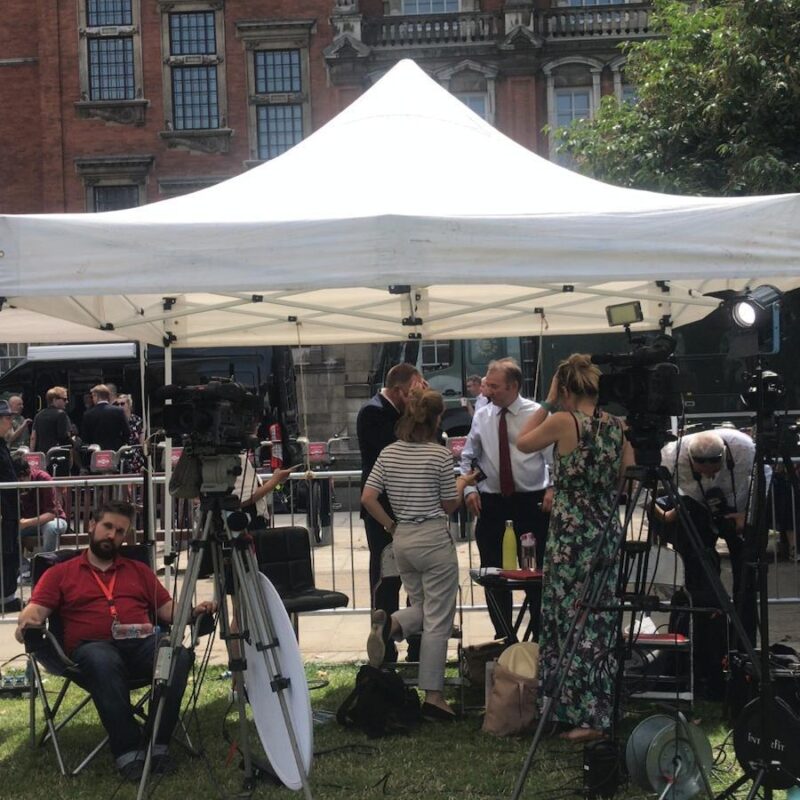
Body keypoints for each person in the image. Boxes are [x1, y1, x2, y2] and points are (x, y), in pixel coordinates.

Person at [15, 500, 215, 780]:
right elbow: (35, 611)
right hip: (91, 650)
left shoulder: (138, 570)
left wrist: (193, 613)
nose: (112, 535)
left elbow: (168, 610)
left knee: (176, 655)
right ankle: (128, 750)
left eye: (120, 531)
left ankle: (158, 743)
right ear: (92, 526)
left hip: (142, 645)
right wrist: (27, 622)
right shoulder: (61, 573)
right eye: (107, 526)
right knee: (102, 658)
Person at [517, 353, 632, 742]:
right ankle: (596, 707)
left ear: (565, 389)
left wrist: (547, 402)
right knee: (599, 619)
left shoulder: (564, 420)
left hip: (571, 533)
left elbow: (522, 441)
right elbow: (626, 478)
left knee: (566, 618)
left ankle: (571, 709)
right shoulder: (617, 426)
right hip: (605, 528)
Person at [361, 388, 475, 720]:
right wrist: (462, 483)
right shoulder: (439, 455)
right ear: (437, 419)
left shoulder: (389, 453)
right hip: (433, 539)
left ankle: (391, 623)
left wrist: (391, 526)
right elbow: (448, 504)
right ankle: (434, 696)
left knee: (424, 608)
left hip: (403, 539)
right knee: (438, 619)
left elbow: (368, 497)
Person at [459, 358, 553, 640]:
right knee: (493, 573)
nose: (487, 391)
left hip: (530, 502)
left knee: (535, 574)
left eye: (494, 386)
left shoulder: (536, 414)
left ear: (513, 387)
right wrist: (469, 490)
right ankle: (504, 636)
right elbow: (468, 456)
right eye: (486, 385)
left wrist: (553, 488)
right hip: (492, 503)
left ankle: (538, 638)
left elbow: (554, 458)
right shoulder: (482, 415)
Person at [357, 363, 424, 659]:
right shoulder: (373, 412)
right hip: (383, 513)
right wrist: (418, 410)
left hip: (410, 509)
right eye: (414, 391)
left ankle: (417, 645)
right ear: (399, 390)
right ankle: (384, 648)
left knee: (417, 582)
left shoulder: (401, 411)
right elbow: (400, 446)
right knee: (387, 581)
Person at [12, 453, 68, 581]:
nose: (19, 483)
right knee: (6, 531)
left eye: (21, 479)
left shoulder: (43, 478)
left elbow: (51, 514)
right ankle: (25, 567)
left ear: (28, 472)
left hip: (55, 520)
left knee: (51, 528)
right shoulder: (12, 482)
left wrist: (26, 523)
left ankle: (44, 567)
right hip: (29, 524)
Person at [0, 400, 21, 612]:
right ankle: (5, 597)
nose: (10, 422)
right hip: (3, 510)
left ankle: (8, 596)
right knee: (5, 553)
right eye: (7, 418)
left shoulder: (2, 445)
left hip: (9, 510)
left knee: (10, 552)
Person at [81, 383, 130, 452]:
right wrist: (120, 444)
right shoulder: (119, 411)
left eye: (93, 396)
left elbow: (85, 438)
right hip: (115, 451)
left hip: (97, 453)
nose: (93, 399)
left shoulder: (88, 414)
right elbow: (127, 432)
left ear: (96, 396)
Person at [30, 386, 73, 455]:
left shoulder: (38, 415)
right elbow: (64, 436)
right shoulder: (61, 414)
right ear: (55, 400)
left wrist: (31, 454)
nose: (67, 402)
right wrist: (73, 442)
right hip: (57, 453)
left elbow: (33, 437)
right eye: (64, 399)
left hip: (42, 453)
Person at [114, 393, 145, 473]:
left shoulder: (137, 420)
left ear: (129, 405)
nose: (119, 406)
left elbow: (142, 442)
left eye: (122, 404)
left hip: (135, 456)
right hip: (120, 455)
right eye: (117, 404)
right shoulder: (115, 421)